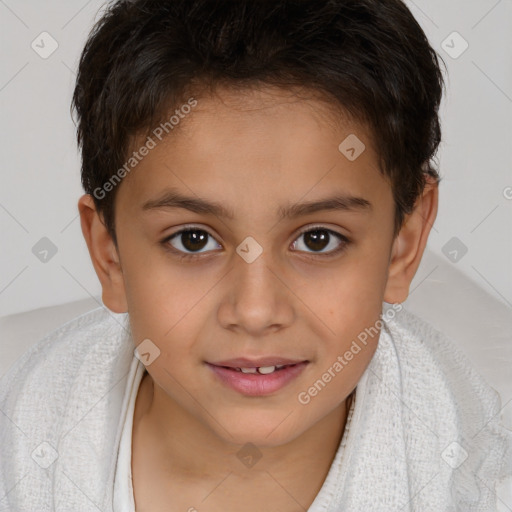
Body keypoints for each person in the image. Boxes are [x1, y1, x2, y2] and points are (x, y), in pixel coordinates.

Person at [1, 0, 510, 510]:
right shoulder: (25, 442)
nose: (255, 311)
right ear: (108, 253)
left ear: (404, 243)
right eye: (193, 240)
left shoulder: (474, 477)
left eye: (317, 239)